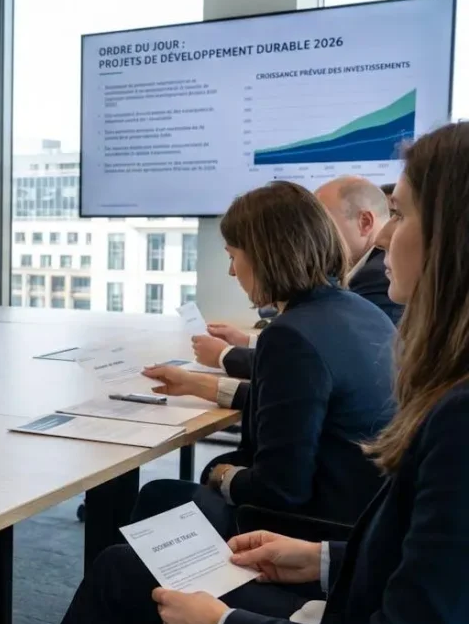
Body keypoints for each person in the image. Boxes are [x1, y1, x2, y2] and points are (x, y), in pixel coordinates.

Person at [51, 120, 469, 624]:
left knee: (126, 562)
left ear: (453, 237)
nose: (384, 234)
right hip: (337, 547)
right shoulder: (361, 314)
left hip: (332, 581)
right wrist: (319, 560)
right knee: (156, 524)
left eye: (401, 214)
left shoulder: (456, 414)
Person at [136, 181, 393, 537]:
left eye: (232, 256)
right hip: (366, 517)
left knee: (135, 537)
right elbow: (303, 406)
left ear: (264, 256)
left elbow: (280, 490)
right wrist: (203, 386)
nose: (231, 272)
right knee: (159, 496)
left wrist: (221, 474)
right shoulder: (363, 311)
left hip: (310, 528)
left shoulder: (290, 334)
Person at [193, 176, 402, 378]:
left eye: (323, 220)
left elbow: (309, 355)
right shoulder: (352, 303)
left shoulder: (378, 277)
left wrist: (224, 356)